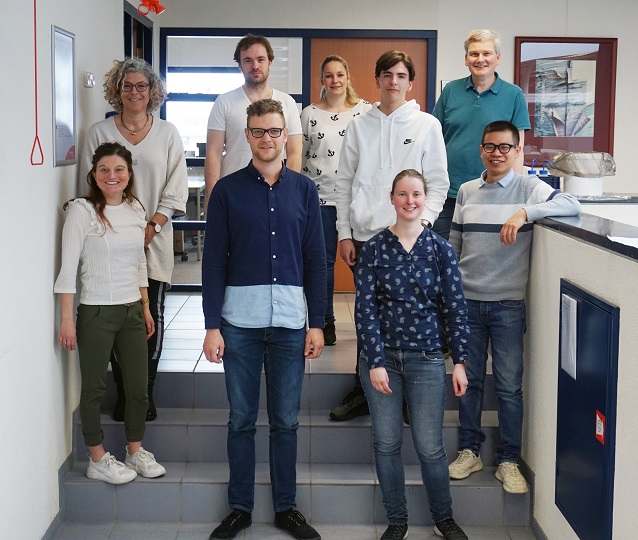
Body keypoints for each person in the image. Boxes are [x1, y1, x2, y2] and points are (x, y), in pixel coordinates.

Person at [202, 99, 326, 540]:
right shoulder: (227, 191)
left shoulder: (304, 190)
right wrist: (212, 325)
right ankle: (240, 508)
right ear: (247, 136)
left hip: (291, 323)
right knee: (240, 419)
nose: (267, 139)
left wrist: (317, 322)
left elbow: (315, 260)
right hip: (239, 323)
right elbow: (213, 261)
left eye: (275, 131)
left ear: (284, 135)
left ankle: (285, 508)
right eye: (258, 131)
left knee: (285, 421)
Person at [447, 121, 581, 493]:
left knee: (508, 387)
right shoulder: (467, 190)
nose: (497, 153)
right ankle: (469, 451)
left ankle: (508, 460)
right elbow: (455, 244)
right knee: (469, 383)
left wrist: (524, 214)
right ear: (481, 150)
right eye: (490, 146)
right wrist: (449, 295)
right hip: (468, 304)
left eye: (505, 147)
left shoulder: (529, 188)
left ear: (517, 151)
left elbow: (571, 203)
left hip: (507, 305)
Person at [331, 50, 449, 421]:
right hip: (365, 237)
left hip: (410, 239)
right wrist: (345, 233)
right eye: (387, 75)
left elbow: (439, 183)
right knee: (368, 316)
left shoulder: (427, 125)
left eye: (400, 75)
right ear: (377, 79)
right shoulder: (359, 125)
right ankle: (363, 391)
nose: (393, 82)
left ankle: (408, 397)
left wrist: (422, 226)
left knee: (410, 317)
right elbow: (344, 183)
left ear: (410, 82)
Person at [356, 169, 469, 540]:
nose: (409, 201)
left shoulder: (440, 250)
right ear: (392, 199)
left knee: (430, 447)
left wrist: (460, 362)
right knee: (386, 443)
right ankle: (397, 520)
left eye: (416, 194)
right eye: (402, 194)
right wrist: (375, 362)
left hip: (427, 359)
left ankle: (443, 518)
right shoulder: (374, 249)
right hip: (382, 361)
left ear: (425, 199)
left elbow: (455, 308)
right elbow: (365, 310)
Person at [79, 57, 188, 423]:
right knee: (115, 317)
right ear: (117, 90)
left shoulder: (168, 133)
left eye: (142, 85)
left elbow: (176, 189)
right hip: (109, 243)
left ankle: (144, 393)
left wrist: (151, 227)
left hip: (154, 239)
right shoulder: (98, 132)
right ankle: (125, 393)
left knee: (148, 315)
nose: (135, 92)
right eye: (128, 86)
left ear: (153, 90)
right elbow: (88, 188)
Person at [55, 142, 166, 484]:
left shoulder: (135, 208)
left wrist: (145, 306)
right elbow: (68, 267)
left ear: (129, 174)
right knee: (94, 388)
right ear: (94, 174)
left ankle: (135, 451)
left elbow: (139, 261)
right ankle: (97, 458)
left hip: (132, 310)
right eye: (104, 169)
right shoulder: (82, 211)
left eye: (119, 169)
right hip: (96, 312)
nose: (111, 175)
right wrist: (67, 320)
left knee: (138, 388)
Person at [300, 54, 371, 346]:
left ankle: (369, 323)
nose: (335, 81)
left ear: (348, 77)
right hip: (320, 202)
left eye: (340, 74)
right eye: (329, 75)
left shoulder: (366, 111)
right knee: (323, 265)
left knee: (365, 267)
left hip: (358, 201)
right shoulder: (309, 114)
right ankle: (325, 322)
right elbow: (300, 158)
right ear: (322, 80)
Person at [432, 29, 531, 240]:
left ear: (498, 58)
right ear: (466, 59)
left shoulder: (513, 94)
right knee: (442, 254)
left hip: (494, 194)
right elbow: (432, 139)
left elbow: (518, 150)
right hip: (449, 194)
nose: (480, 59)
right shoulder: (451, 91)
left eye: (487, 53)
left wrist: (514, 194)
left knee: (484, 253)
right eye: (474, 54)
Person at [204, 34, 303, 204]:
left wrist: (288, 192)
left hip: (276, 194)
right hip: (234, 194)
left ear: (270, 62)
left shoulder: (287, 102)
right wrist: (212, 199)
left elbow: (294, 153)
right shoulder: (224, 102)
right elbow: (213, 153)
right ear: (240, 65)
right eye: (248, 60)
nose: (255, 66)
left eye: (260, 59)